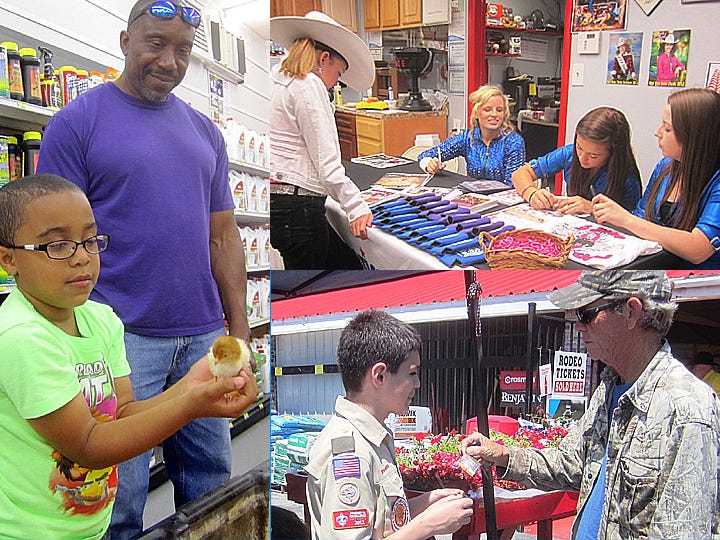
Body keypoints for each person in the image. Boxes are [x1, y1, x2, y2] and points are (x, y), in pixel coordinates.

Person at [35, 2, 251, 537]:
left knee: (212, 487)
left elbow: (223, 237)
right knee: (120, 498)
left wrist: (241, 335)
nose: (169, 61)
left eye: (183, 50)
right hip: (118, 339)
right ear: (125, 39)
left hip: (203, 337)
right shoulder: (75, 124)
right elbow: (53, 240)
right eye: (155, 43)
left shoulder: (206, 133)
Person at [0, 175, 258, 540]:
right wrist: (192, 406)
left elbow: (123, 414)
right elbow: (89, 446)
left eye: (90, 241)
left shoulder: (100, 319)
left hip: (89, 525)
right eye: (58, 245)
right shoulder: (21, 338)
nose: (81, 259)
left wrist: (190, 385)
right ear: (8, 258)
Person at [460, 270, 720, 539]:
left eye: (586, 313)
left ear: (631, 311)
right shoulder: (608, 388)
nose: (579, 326)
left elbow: (683, 531)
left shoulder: (686, 407)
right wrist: (503, 455)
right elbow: (569, 464)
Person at [305, 310, 473, 539]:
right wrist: (429, 525)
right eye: (412, 373)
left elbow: (379, 522)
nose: (417, 383)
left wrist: (424, 503)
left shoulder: (372, 437)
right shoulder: (350, 454)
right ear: (380, 376)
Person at [270, 11, 374, 270]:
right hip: (299, 208)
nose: (335, 83)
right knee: (313, 283)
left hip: (282, 204)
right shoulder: (308, 85)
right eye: (338, 74)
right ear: (323, 58)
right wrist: (356, 206)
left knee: (344, 265)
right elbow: (327, 164)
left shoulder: (278, 78)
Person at [593, 88, 720, 268]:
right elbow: (642, 217)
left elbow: (698, 248)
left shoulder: (716, 183)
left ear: (694, 136)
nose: (657, 132)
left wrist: (627, 219)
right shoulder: (665, 167)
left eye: (667, 128)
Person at [512, 106, 641, 214]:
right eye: (579, 147)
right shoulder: (569, 153)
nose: (582, 158)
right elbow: (521, 173)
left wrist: (592, 208)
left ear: (612, 154)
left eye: (593, 156)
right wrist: (531, 193)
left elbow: (634, 222)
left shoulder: (627, 178)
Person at [418, 85, 525, 186]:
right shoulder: (468, 138)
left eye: (499, 110)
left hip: (504, 200)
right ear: (477, 113)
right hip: (472, 197)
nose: (494, 114)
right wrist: (430, 164)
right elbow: (425, 155)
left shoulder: (513, 142)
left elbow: (513, 184)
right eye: (487, 110)